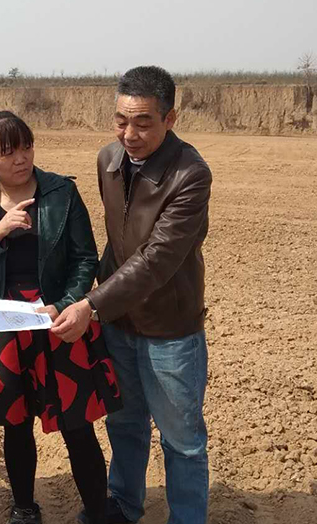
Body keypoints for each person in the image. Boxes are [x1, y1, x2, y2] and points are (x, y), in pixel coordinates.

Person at [54, 66, 212, 524]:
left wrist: (92, 305)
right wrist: (76, 298)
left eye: (143, 122)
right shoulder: (108, 160)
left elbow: (157, 259)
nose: (129, 134)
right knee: (123, 422)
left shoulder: (190, 174)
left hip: (170, 329)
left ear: (170, 118)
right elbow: (116, 245)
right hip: (119, 323)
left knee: (182, 440)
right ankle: (123, 504)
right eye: (121, 121)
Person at [0, 111, 121, 524]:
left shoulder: (62, 191)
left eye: (26, 147)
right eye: (8, 152)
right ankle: (24, 508)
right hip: (7, 325)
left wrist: (67, 303)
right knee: (16, 424)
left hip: (59, 320)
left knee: (78, 425)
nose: (22, 158)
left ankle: (98, 512)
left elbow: (85, 259)